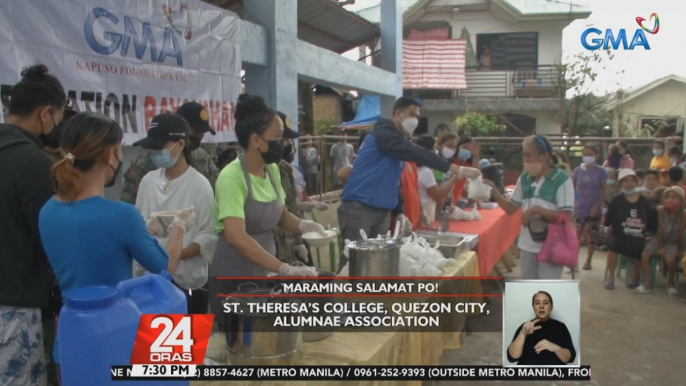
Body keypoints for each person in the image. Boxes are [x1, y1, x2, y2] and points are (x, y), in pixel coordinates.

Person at [38, 112, 194, 378]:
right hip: (116, 340)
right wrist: (179, 226)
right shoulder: (121, 216)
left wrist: (140, 233)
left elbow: (89, 252)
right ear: (110, 155)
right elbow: (166, 269)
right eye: (120, 149)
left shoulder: (48, 211)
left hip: (69, 341)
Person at [209, 94, 324, 322]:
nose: (284, 144)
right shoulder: (231, 177)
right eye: (278, 137)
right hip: (234, 279)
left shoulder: (272, 171)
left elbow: (280, 214)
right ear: (256, 141)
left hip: (264, 273)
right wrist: (284, 268)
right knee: (238, 345)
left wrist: (304, 225)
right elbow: (236, 236)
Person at [0, 64, 66, 386]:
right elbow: (51, 241)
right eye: (58, 116)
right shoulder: (34, 164)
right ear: (44, 114)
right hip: (14, 312)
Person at [338, 97, 480, 247]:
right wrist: (457, 169)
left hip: (383, 211)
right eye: (412, 114)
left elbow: (395, 182)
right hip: (360, 207)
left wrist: (399, 211)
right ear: (399, 113)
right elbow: (418, 152)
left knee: (375, 262)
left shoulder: (399, 144)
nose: (416, 120)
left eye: (418, 116)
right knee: (352, 262)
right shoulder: (383, 133)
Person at [132, 113, 216, 314]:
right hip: (150, 283)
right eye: (152, 149)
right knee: (156, 344)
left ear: (180, 144)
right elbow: (137, 226)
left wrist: (173, 256)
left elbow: (208, 236)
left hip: (187, 285)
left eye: (159, 148)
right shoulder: (148, 182)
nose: (154, 153)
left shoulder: (200, 185)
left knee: (187, 343)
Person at [486, 135, 574, 280]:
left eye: (528, 155)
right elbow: (511, 209)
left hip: (552, 245)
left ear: (544, 157)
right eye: (523, 156)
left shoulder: (561, 179)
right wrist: (494, 190)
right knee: (530, 290)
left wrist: (535, 210)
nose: (525, 160)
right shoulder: (525, 178)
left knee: (547, 292)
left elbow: (567, 217)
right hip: (528, 245)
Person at [120, 101, 219, 204]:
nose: (199, 137)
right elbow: (129, 198)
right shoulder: (152, 156)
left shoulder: (202, 157)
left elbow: (216, 192)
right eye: (195, 132)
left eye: (202, 133)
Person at [273, 111, 326, 265]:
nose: (289, 144)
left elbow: (291, 205)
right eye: (284, 139)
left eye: (290, 139)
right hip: (275, 245)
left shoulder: (286, 169)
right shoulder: (262, 171)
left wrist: (298, 239)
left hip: (291, 237)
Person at [603, 169, 657, 290]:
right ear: (621, 183)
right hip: (620, 235)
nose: (629, 183)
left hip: (638, 235)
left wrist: (649, 233)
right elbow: (609, 219)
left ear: (636, 182)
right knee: (613, 248)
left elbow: (651, 220)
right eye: (625, 181)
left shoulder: (644, 201)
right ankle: (611, 278)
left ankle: (634, 277)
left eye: (632, 180)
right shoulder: (617, 200)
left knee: (639, 248)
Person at [635, 187, 686, 296]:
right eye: (667, 197)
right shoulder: (661, 210)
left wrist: (680, 249)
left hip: (674, 242)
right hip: (659, 239)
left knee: (670, 260)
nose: (670, 200)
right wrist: (661, 247)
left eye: (674, 197)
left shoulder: (683, 214)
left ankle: (671, 284)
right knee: (645, 255)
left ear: (681, 201)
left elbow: (681, 232)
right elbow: (661, 229)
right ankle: (646, 284)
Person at [507, 291, 576, 366]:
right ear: (533, 307)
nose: (541, 306)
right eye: (537, 303)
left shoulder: (561, 327)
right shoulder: (525, 327)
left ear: (551, 307)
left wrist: (556, 348)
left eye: (546, 303)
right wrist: (523, 334)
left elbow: (570, 358)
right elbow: (511, 357)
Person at [573, 146, 607, 270]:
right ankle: (574, 262)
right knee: (577, 237)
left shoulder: (601, 171)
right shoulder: (577, 170)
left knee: (591, 236)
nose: (588, 156)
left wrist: (598, 206)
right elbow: (572, 187)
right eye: (586, 154)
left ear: (596, 156)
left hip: (594, 209)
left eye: (591, 154)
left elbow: (604, 190)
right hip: (579, 208)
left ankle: (588, 260)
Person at [416, 135, 458, 224]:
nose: (436, 151)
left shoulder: (417, 167)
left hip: (422, 208)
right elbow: (438, 196)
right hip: (426, 209)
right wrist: (454, 180)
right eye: (435, 148)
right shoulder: (426, 171)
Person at [451, 136, 481, 206]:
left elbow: (476, 177)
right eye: (465, 147)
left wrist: (475, 156)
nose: (467, 150)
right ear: (458, 147)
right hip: (448, 202)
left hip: (456, 203)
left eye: (469, 149)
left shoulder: (468, 164)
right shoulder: (451, 162)